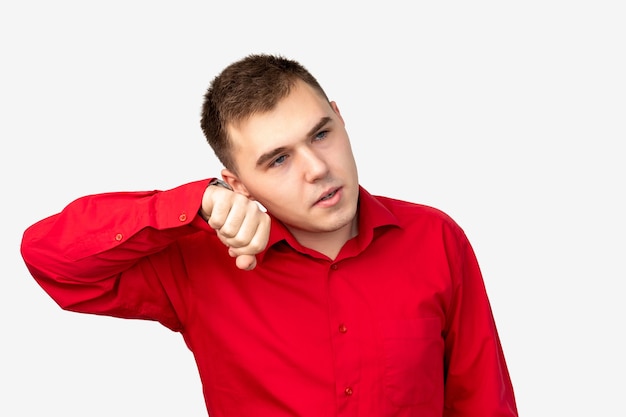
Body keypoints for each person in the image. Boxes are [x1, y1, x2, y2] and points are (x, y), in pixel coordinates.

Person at [20, 54, 518, 416]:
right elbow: (50, 257)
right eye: (278, 160)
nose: (318, 168)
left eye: (321, 134)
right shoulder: (198, 261)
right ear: (237, 183)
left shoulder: (435, 239)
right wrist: (196, 203)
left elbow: (483, 402)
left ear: (341, 119)